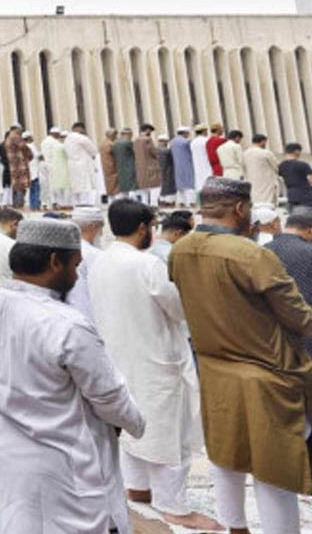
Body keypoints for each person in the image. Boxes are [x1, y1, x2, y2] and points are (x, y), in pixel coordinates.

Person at [0, 218, 146, 534]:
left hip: (14, 456)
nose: (76, 275)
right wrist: (136, 423)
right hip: (65, 463)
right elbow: (109, 396)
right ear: (55, 261)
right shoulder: (66, 325)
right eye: (75, 265)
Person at [168, 177, 312, 532]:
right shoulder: (253, 255)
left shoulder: (180, 250)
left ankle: (235, 526)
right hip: (267, 374)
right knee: (275, 467)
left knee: (226, 453)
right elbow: (299, 318)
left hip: (214, 367)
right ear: (239, 208)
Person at [87, 200, 221, 530]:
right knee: (168, 433)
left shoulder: (100, 261)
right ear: (143, 228)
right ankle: (172, 505)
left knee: (131, 427)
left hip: (119, 356)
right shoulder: (147, 265)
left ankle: (137, 487)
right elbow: (178, 308)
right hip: (156, 359)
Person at [266, 206, 312, 353]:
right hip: (305, 335)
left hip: (269, 337)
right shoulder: (309, 252)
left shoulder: (262, 250)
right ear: (310, 231)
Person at [65, 123, 100, 207]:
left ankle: (78, 203)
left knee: (76, 185)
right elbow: (94, 151)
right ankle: (87, 203)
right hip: (83, 164)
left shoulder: (67, 139)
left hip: (72, 164)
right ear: (80, 128)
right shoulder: (81, 138)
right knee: (86, 185)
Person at [243, 133, 280, 205]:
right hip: (266, 181)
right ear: (263, 141)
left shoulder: (245, 153)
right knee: (267, 200)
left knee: (255, 198)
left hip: (251, 180)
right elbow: (275, 166)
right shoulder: (266, 153)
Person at [133, 124, 161, 206]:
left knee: (144, 189)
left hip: (140, 168)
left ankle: (144, 206)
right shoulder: (148, 139)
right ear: (147, 130)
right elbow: (154, 152)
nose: (151, 133)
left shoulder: (135, 140)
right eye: (150, 131)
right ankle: (153, 205)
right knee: (155, 187)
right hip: (151, 167)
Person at [6, 124, 33, 208]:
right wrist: (29, 155)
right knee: (21, 185)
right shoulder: (15, 137)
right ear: (16, 129)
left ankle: (15, 204)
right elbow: (24, 147)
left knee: (16, 185)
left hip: (13, 165)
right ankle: (19, 204)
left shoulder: (8, 138)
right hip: (19, 165)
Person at [278, 141, 312, 207]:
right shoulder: (303, 165)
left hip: (291, 196)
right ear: (297, 151)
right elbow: (310, 180)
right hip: (306, 197)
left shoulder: (281, 166)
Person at [44, 128, 72, 209]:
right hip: (60, 167)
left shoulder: (50, 143)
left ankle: (57, 203)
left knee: (55, 186)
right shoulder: (60, 145)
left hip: (53, 167)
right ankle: (64, 203)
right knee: (64, 187)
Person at [169, 127, 196, 207]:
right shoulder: (187, 142)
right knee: (189, 183)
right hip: (188, 164)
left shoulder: (172, 142)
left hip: (177, 165)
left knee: (180, 185)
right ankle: (191, 202)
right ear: (185, 133)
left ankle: (181, 202)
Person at [113, 128, 138, 199]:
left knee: (123, 186)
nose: (131, 136)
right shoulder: (128, 142)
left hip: (119, 166)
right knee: (132, 185)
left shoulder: (115, 143)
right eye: (131, 134)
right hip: (130, 166)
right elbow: (134, 152)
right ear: (128, 134)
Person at [98, 128, 119, 201]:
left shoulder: (102, 144)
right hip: (112, 166)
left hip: (105, 167)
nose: (116, 137)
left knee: (109, 185)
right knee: (115, 186)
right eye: (115, 135)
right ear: (111, 135)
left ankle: (111, 200)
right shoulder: (111, 144)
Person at [189, 125, 211, 193]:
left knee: (200, 184)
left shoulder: (193, 142)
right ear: (204, 131)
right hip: (207, 164)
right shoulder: (207, 140)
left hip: (197, 165)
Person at [157, 134, 175, 205]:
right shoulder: (167, 151)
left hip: (158, 171)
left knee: (161, 186)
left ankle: (161, 200)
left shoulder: (155, 150)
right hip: (168, 171)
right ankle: (168, 201)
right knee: (168, 186)